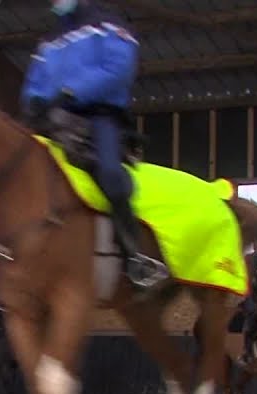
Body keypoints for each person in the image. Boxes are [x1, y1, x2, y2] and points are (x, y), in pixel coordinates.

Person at [19, 0, 168, 289]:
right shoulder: (47, 40)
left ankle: (133, 258)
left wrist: (70, 93)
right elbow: (34, 82)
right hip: (52, 120)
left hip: (99, 117)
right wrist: (34, 102)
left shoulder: (109, 24)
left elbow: (118, 69)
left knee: (110, 175)